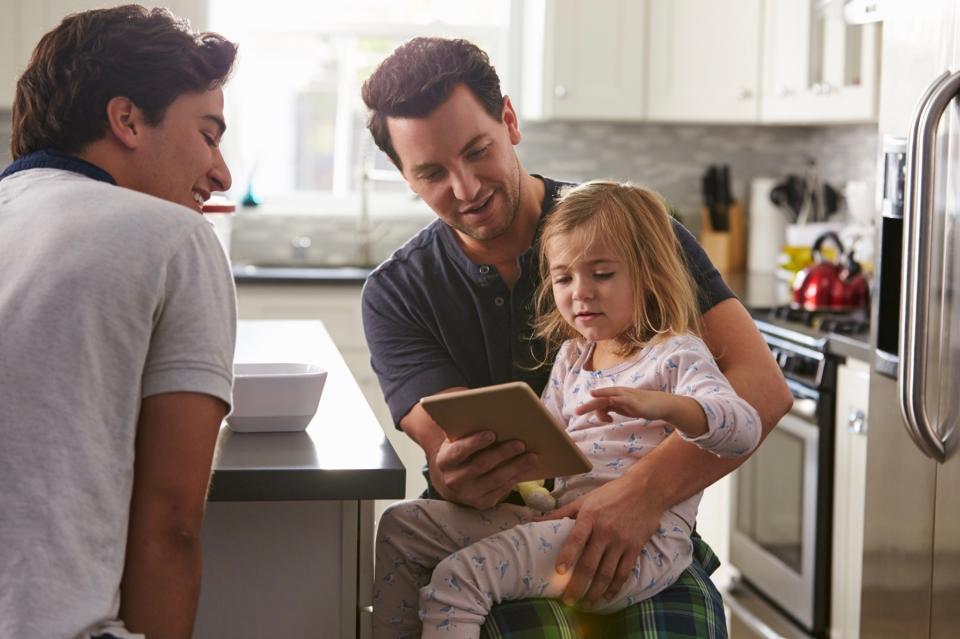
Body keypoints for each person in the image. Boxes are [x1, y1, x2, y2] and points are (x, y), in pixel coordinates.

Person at [361, 37, 792, 637]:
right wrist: (459, 470)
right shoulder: (396, 293)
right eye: (432, 173)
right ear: (403, 175)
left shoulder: (626, 230)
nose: (465, 189)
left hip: (644, 530)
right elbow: (445, 446)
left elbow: (762, 390)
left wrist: (640, 496)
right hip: (493, 531)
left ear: (508, 120)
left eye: (477, 151)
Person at [374, 180, 763, 639]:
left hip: (638, 546)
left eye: (601, 274)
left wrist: (670, 407)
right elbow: (550, 446)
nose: (580, 292)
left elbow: (744, 428)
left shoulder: (676, 353)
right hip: (561, 517)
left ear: (649, 274)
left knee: (458, 580)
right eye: (564, 278)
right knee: (400, 526)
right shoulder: (574, 357)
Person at [0, 6, 238, 639]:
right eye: (209, 135)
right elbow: (171, 524)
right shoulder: (174, 238)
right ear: (127, 119)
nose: (221, 173)